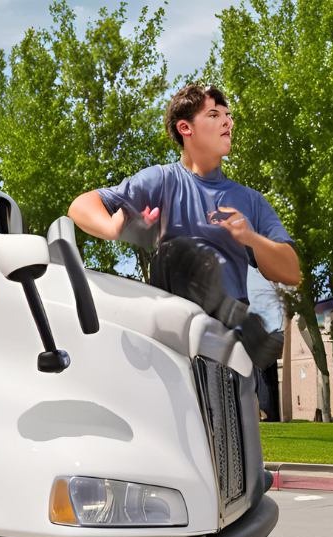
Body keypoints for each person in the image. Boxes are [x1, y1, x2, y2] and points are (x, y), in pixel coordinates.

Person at [67, 84, 300, 366]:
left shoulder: (250, 201)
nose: (228, 122)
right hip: (173, 338)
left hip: (228, 352)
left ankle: (234, 329)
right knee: (177, 252)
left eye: (228, 115)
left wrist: (250, 237)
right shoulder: (161, 181)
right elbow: (80, 206)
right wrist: (111, 228)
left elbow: (291, 272)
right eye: (214, 115)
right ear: (185, 128)